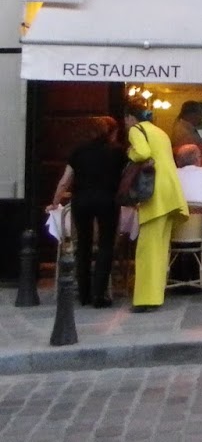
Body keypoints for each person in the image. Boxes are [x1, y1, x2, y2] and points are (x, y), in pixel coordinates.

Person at [51, 116, 123, 308]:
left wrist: (55, 202)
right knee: (106, 245)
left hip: (81, 200)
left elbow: (65, 180)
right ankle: (100, 294)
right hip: (107, 200)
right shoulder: (117, 151)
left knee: (82, 244)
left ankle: (84, 293)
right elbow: (125, 177)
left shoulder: (78, 151)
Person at [125, 108, 188, 312]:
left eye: (125, 118)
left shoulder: (136, 129)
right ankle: (156, 294)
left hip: (154, 195)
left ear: (130, 117)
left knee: (147, 250)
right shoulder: (160, 132)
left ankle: (145, 299)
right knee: (160, 250)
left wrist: (129, 152)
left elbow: (142, 153)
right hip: (170, 193)